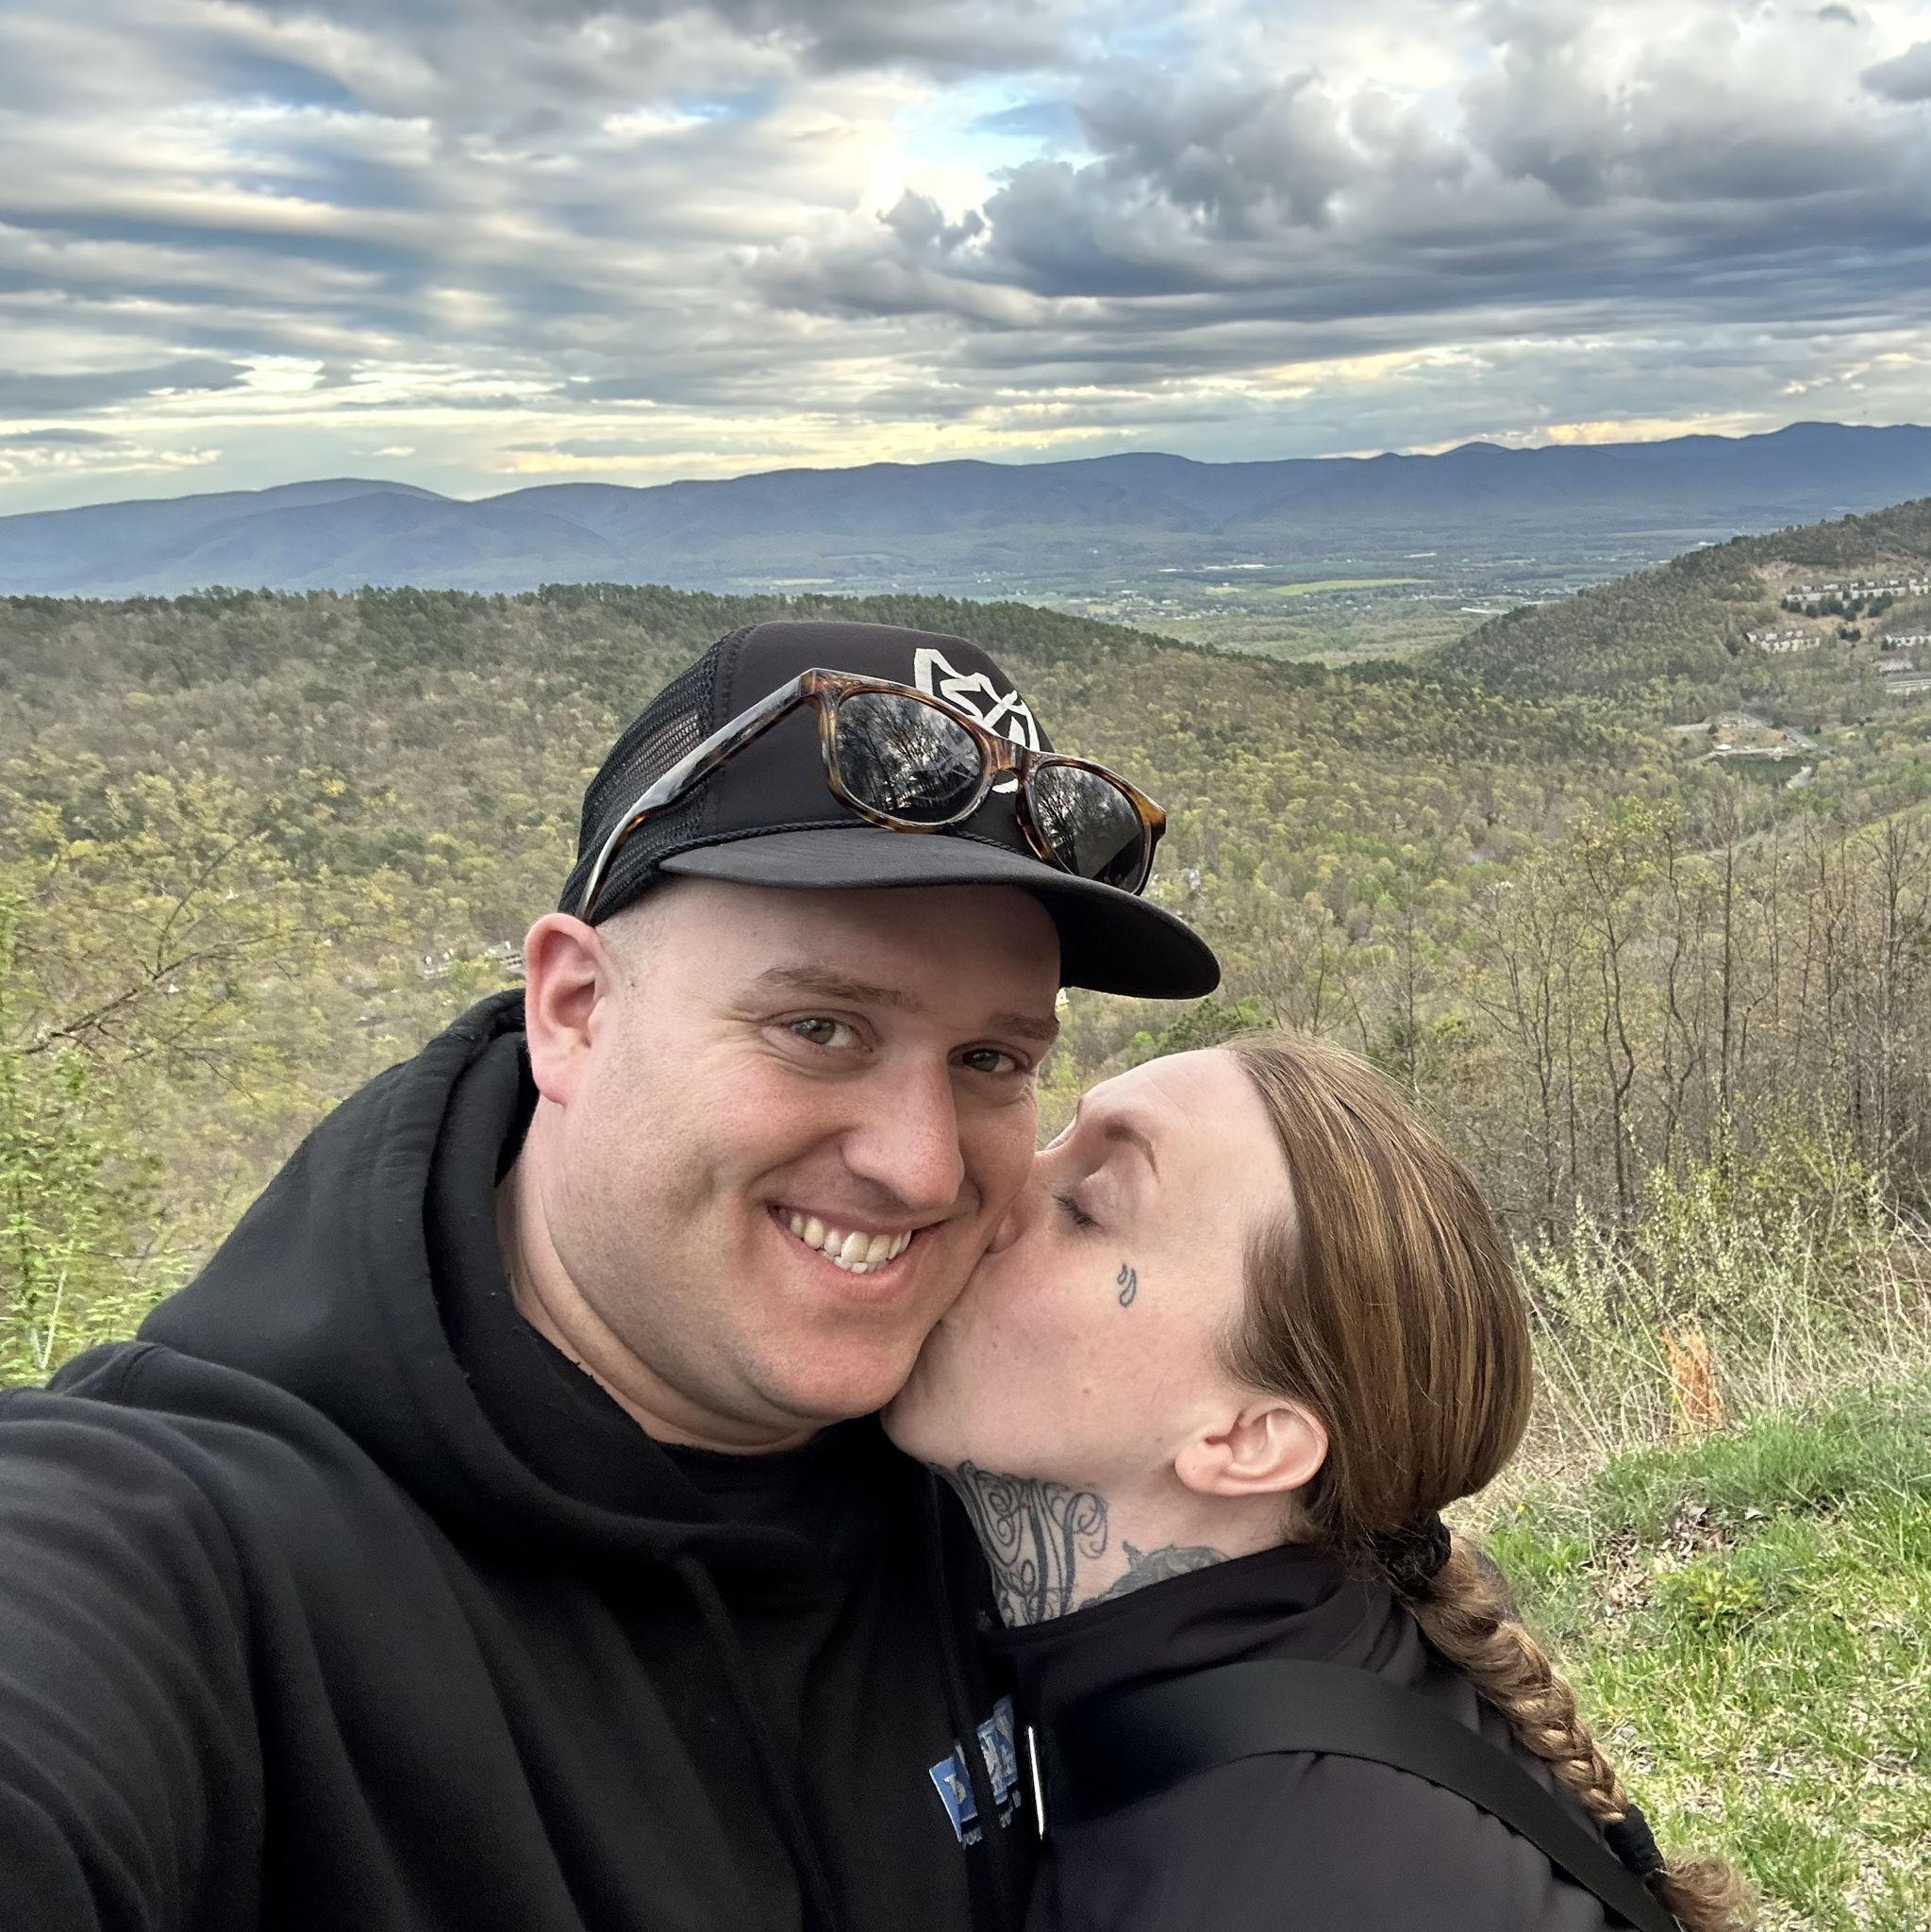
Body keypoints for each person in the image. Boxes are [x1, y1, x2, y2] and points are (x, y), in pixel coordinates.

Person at [0, 618, 1219, 1932]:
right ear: (572, 1010)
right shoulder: (189, 1552)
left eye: (989, 1060)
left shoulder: (994, 1455)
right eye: (817, 1027)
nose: (919, 1168)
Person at [885, 1031, 1754, 1932]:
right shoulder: (1315, 1679)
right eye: (1054, 1137)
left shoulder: (1271, 1884)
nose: (975, 1184)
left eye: (1084, 1209)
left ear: (1248, 1439)